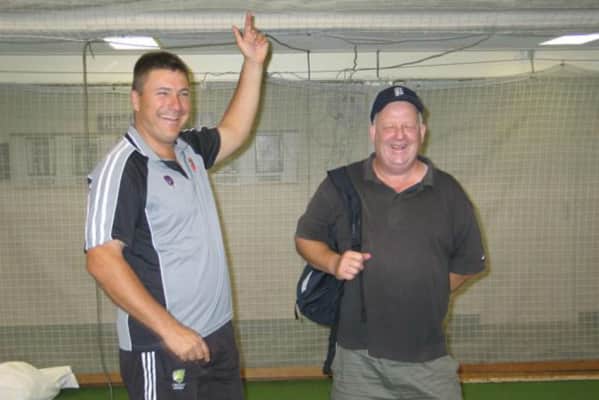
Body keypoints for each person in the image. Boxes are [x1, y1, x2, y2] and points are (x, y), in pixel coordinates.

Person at [84, 12, 269, 400]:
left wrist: (253, 64)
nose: (175, 104)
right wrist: (170, 330)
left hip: (216, 335)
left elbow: (235, 130)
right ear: (136, 99)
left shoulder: (189, 150)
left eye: (184, 93)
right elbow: (102, 259)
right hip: (162, 346)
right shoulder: (124, 168)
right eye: (162, 93)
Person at [295, 85, 486, 400]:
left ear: (422, 132)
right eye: (389, 126)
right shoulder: (340, 185)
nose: (399, 135)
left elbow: (468, 263)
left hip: (428, 358)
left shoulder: (449, 191)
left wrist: (428, 288)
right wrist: (333, 262)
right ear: (373, 132)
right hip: (357, 361)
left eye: (408, 126)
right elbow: (305, 238)